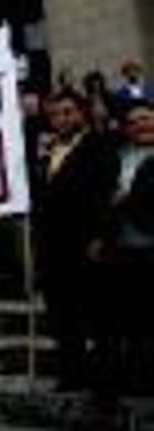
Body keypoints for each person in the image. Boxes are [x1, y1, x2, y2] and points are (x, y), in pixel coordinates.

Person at [33, 88, 119, 390]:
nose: (61, 118)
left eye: (68, 111)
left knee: (96, 315)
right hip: (52, 249)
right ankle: (73, 373)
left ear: (81, 113)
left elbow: (108, 194)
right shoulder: (47, 152)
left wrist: (100, 237)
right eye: (55, 114)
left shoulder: (100, 145)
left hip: (86, 245)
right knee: (62, 315)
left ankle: (105, 379)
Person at [104, 104, 154, 393]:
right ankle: (137, 377)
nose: (140, 125)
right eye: (133, 121)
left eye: (146, 119)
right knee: (132, 319)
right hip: (124, 248)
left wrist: (128, 199)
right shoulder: (119, 156)